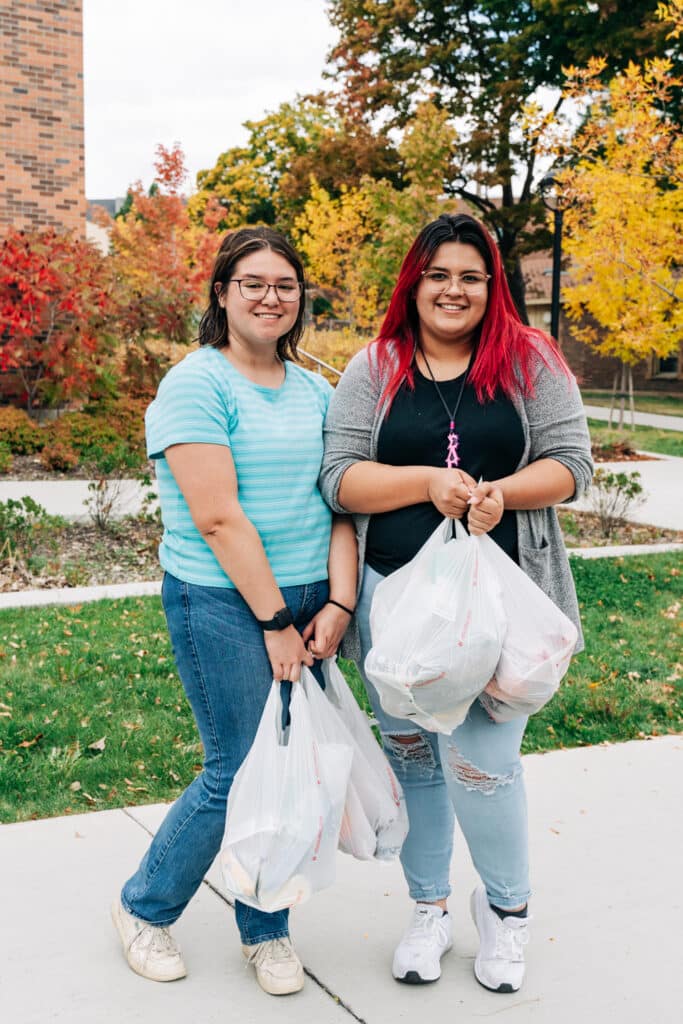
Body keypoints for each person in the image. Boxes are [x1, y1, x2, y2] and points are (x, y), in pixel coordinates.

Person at [320, 213, 593, 993]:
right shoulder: (375, 366)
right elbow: (338, 475)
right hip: (392, 602)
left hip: (496, 607)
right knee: (415, 761)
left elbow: (573, 464)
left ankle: (505, 915)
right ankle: (428, 906)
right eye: (438, 273)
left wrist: (499, 493)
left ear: (490, 286)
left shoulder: (528, 361)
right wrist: (425, 483)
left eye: (470, 276)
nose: (453, 289)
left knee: (486, 764)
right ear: (414, 281)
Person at [112, 227, 357, 997]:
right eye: (251, 282)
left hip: (311, 604)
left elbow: (341, 503)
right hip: (223, 602)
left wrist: (339, 603)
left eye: (284, 284)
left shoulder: (318, 391)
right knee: (239, 771)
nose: (269, 297)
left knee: (293, 775)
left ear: (300, 298)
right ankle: (143, 908)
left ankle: (266, 928)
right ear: (222, 293)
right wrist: (274, 622)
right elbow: (218, 519)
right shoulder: (196, 384)